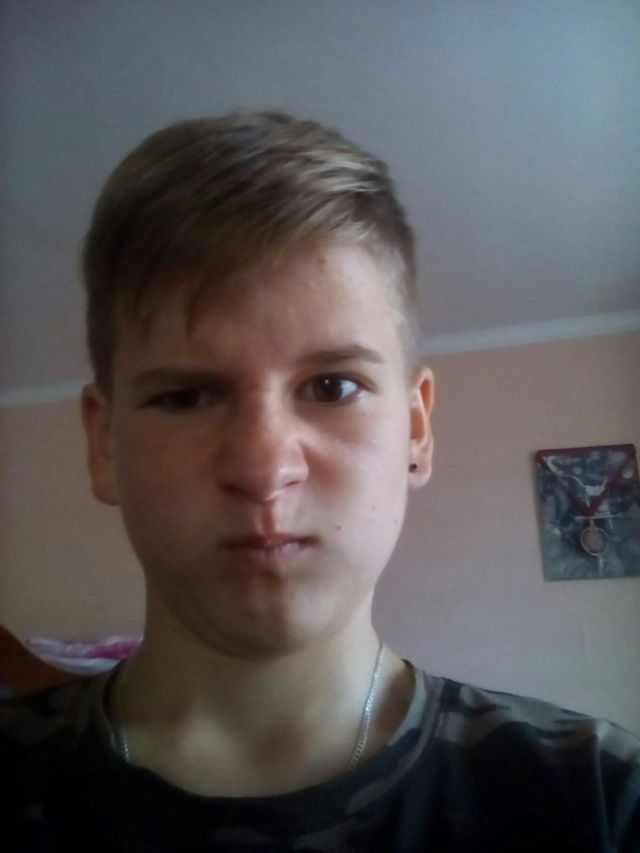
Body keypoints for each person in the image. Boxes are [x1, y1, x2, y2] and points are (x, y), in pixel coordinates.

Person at [1, 110, 638, 851]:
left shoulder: (600, 799)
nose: (264, 469)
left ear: (415, 430)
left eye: (333, 387)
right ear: (103, 444)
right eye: (187, 396)